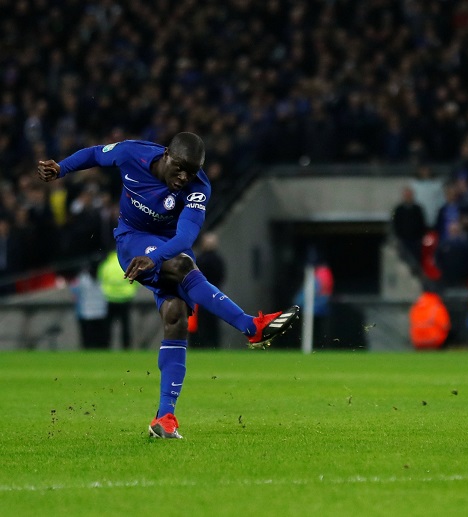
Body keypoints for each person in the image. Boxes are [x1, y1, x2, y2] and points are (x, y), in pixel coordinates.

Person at [38, 132, 299, 439]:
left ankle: (165, 417)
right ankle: (250, 326)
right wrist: (62, 168)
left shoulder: (198, 188)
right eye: (180, 168)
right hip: (132, 240)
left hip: (168, 247)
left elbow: (186, 238)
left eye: (191, 171)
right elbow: (95, 153)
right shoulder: (131, 153)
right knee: (184, 267)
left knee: (175, 317)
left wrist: (157, 258)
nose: (184, 177)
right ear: (166, 155)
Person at [188, 232, 226, 349]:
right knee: (213, 322)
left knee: (200, 322)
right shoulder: (218, 260)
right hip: (214, 295)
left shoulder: (200, 259)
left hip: (200, 296)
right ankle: (214, 344)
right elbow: (221, 277)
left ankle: (199, 344)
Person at [97, 249, 139, 349]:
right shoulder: (127, 263)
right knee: (125, 325)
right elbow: (136, 279)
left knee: (108, 326)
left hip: (110, 297)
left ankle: (106, 346)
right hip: (125, 297)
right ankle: (126, 346)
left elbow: (101, 278)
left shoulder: (106, 265)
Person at [70, 261, 109, 349]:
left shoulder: (82, 279)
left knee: (88, 340)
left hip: (87, 312)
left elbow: (74, 292)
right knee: (101, 340)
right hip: (101, 311)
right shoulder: (102, 278)